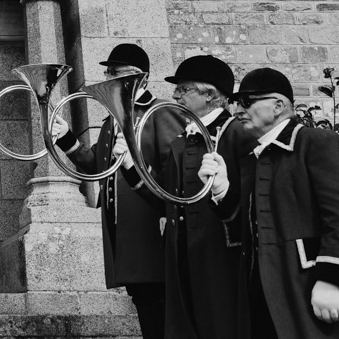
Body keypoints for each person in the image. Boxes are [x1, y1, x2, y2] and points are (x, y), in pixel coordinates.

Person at [116, 54, 256, 339]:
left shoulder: (237, 134)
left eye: (184, 89)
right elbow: (165, 201)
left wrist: (224, 193)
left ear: (210, 95)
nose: (175, 95)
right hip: (183, 257)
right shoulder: (182, 141)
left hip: (222, 258)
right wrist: (131, 166)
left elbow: (253, 205)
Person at [51, 43, 185, 339]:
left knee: (161, 306)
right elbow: (94, 165)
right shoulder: (112, 120)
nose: (110, 78)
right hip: (125, 232)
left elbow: (176, 173)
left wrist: (165, 214)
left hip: (153, 228)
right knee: (145, 303)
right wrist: (66, 138)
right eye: (108, 72)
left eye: (117, 73)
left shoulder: (161, 113)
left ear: (143, 78)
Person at [198, 68, 339, 339]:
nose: (237, 108)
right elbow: (247, 227)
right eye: (237, 102)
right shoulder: (254, 156)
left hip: (306, 286)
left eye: (247, 101)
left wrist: (331, 280)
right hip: (262, 291)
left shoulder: (317, 142)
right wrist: (221, 190)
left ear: (278, 105)